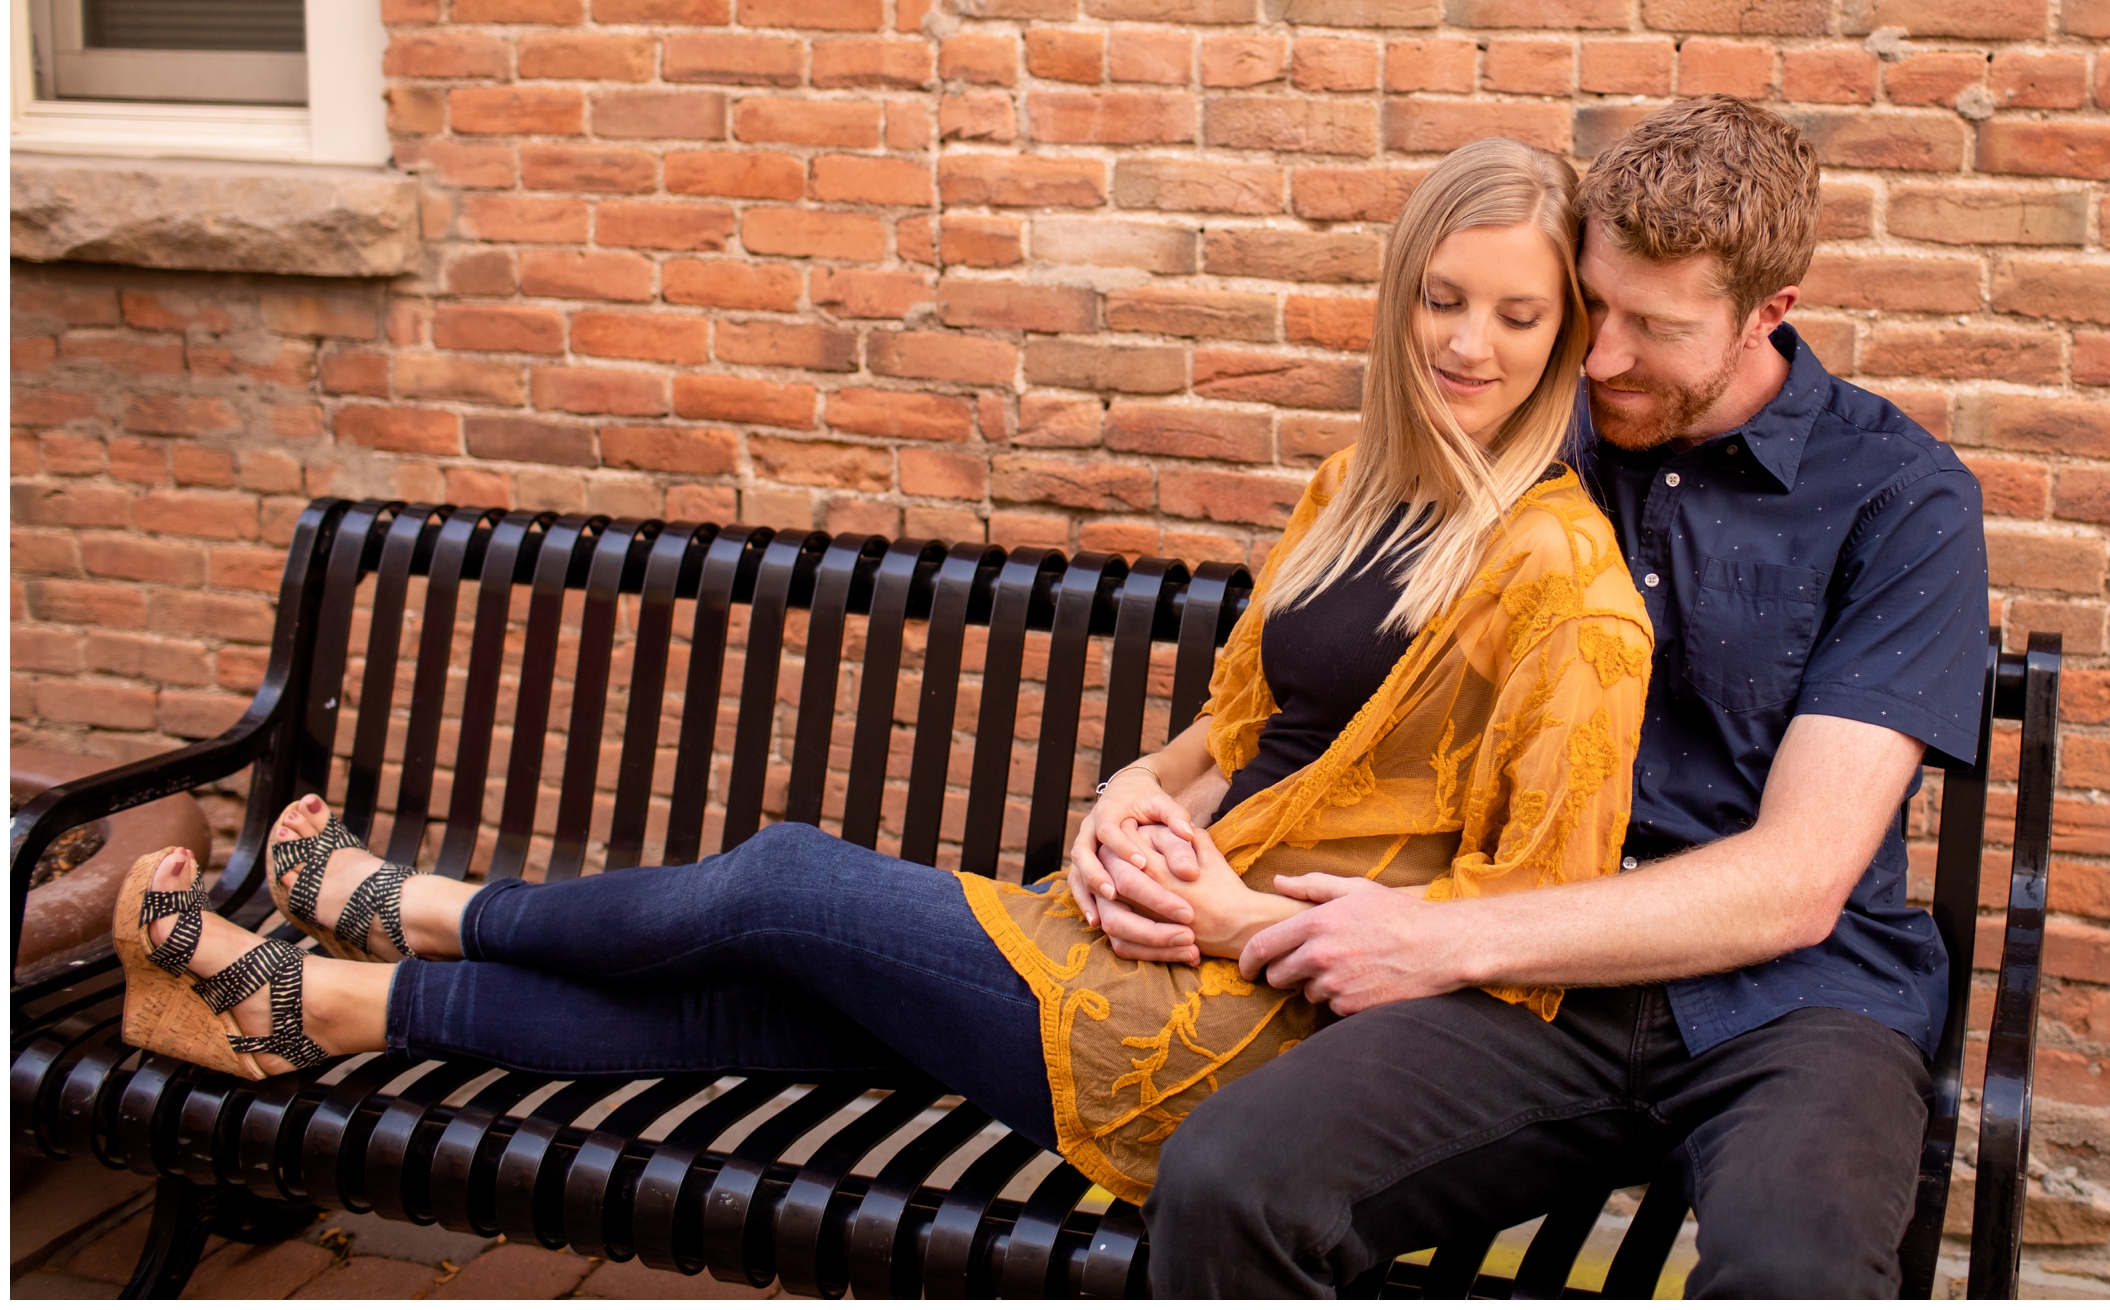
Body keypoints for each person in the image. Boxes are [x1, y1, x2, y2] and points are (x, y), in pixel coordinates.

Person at [110, 137, 1656, 1206]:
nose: (1471, 343)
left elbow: (1523, 929)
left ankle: (406, 901)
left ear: (1574, 332)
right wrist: (1127, 795)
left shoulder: (1567, 585)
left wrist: (1234, 916)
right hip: (1130, 926)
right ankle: (304, 998)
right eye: (1443, 299)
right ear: (1399, 296)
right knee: (744, 1010)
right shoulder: (1358, 481)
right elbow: (1246, 720)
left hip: (1238, 1030)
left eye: (1520, 315)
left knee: (781, 889)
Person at [1130, 96, 1992, 1298]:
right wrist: (1147, 781)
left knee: (1796, 1271)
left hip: (1795, 1004)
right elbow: (1325, 674)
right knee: (1230, 1180)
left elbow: (1798, 881)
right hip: (1525, 989)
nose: (1601, 359)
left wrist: (1437, 934)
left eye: (1656, 326)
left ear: (1769, 314)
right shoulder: (1533, 425)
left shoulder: (1901, 500)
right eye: (1595, 307)